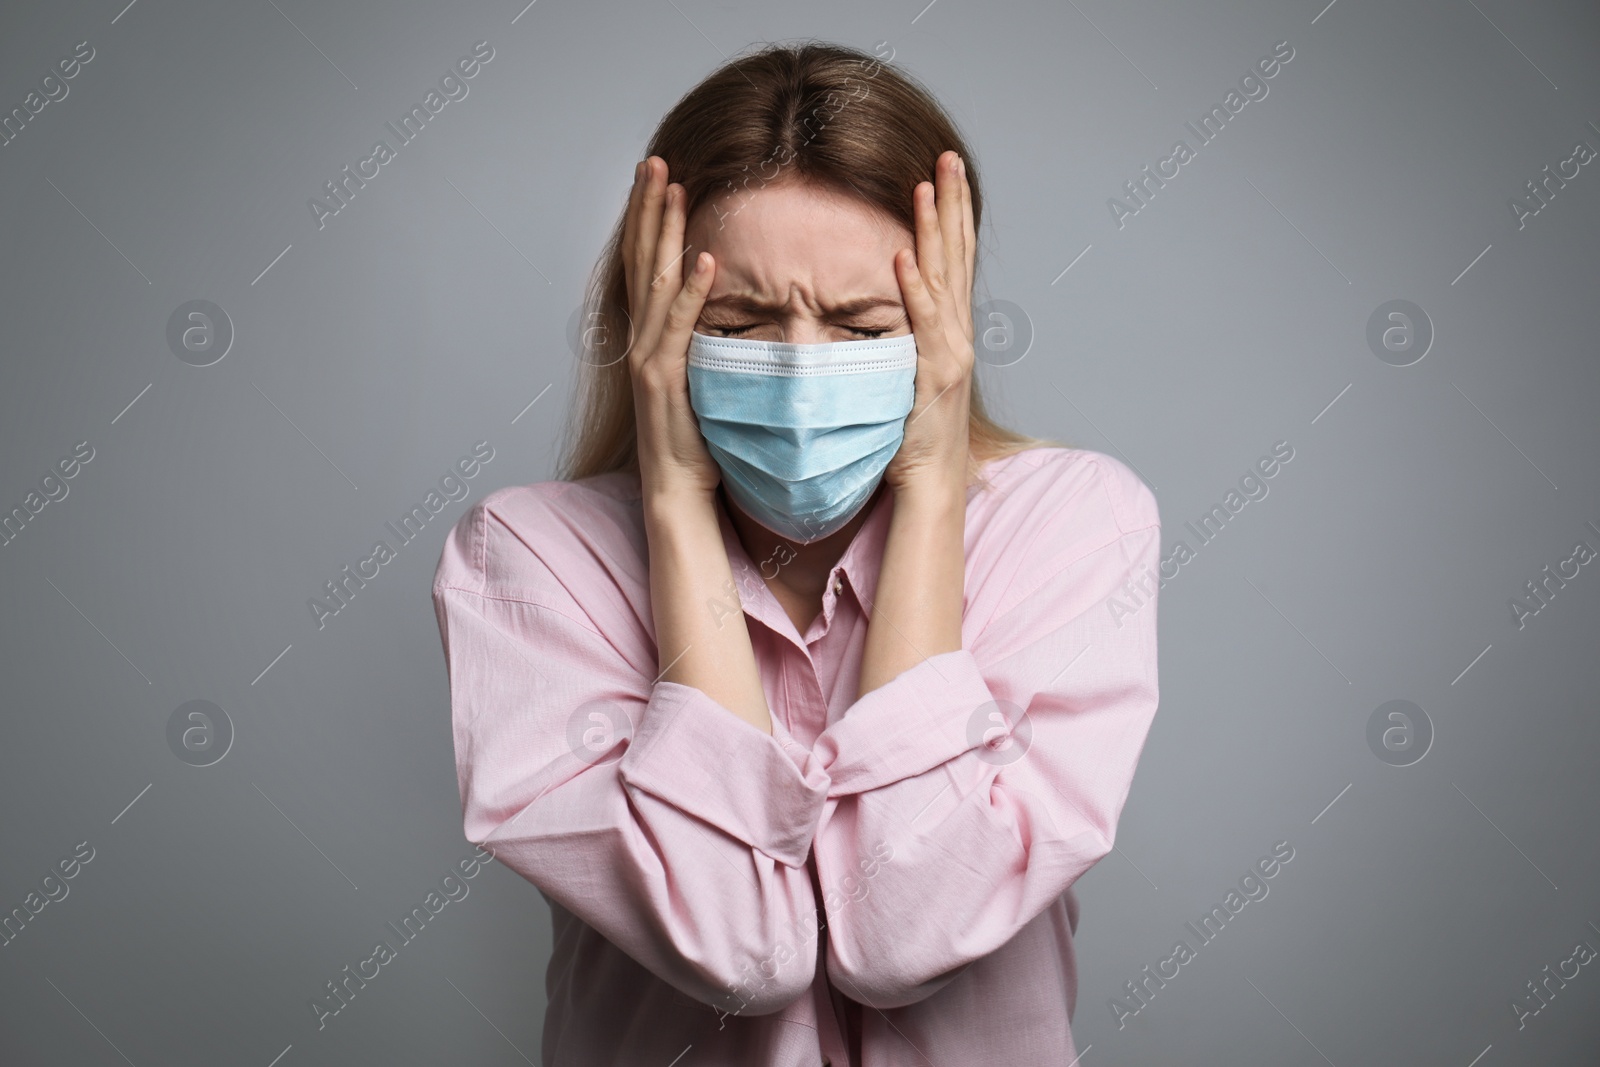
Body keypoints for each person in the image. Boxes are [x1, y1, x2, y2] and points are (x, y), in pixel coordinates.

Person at [431, 40, 1162, 1066]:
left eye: (865, 325)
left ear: (944, 326)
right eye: (738, 320)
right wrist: (678, 506)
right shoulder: (528, 562)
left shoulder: (1074, 527)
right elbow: (742, 951)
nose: (802, 375)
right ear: (654, 327)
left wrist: (931, 493)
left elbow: (903, 934)